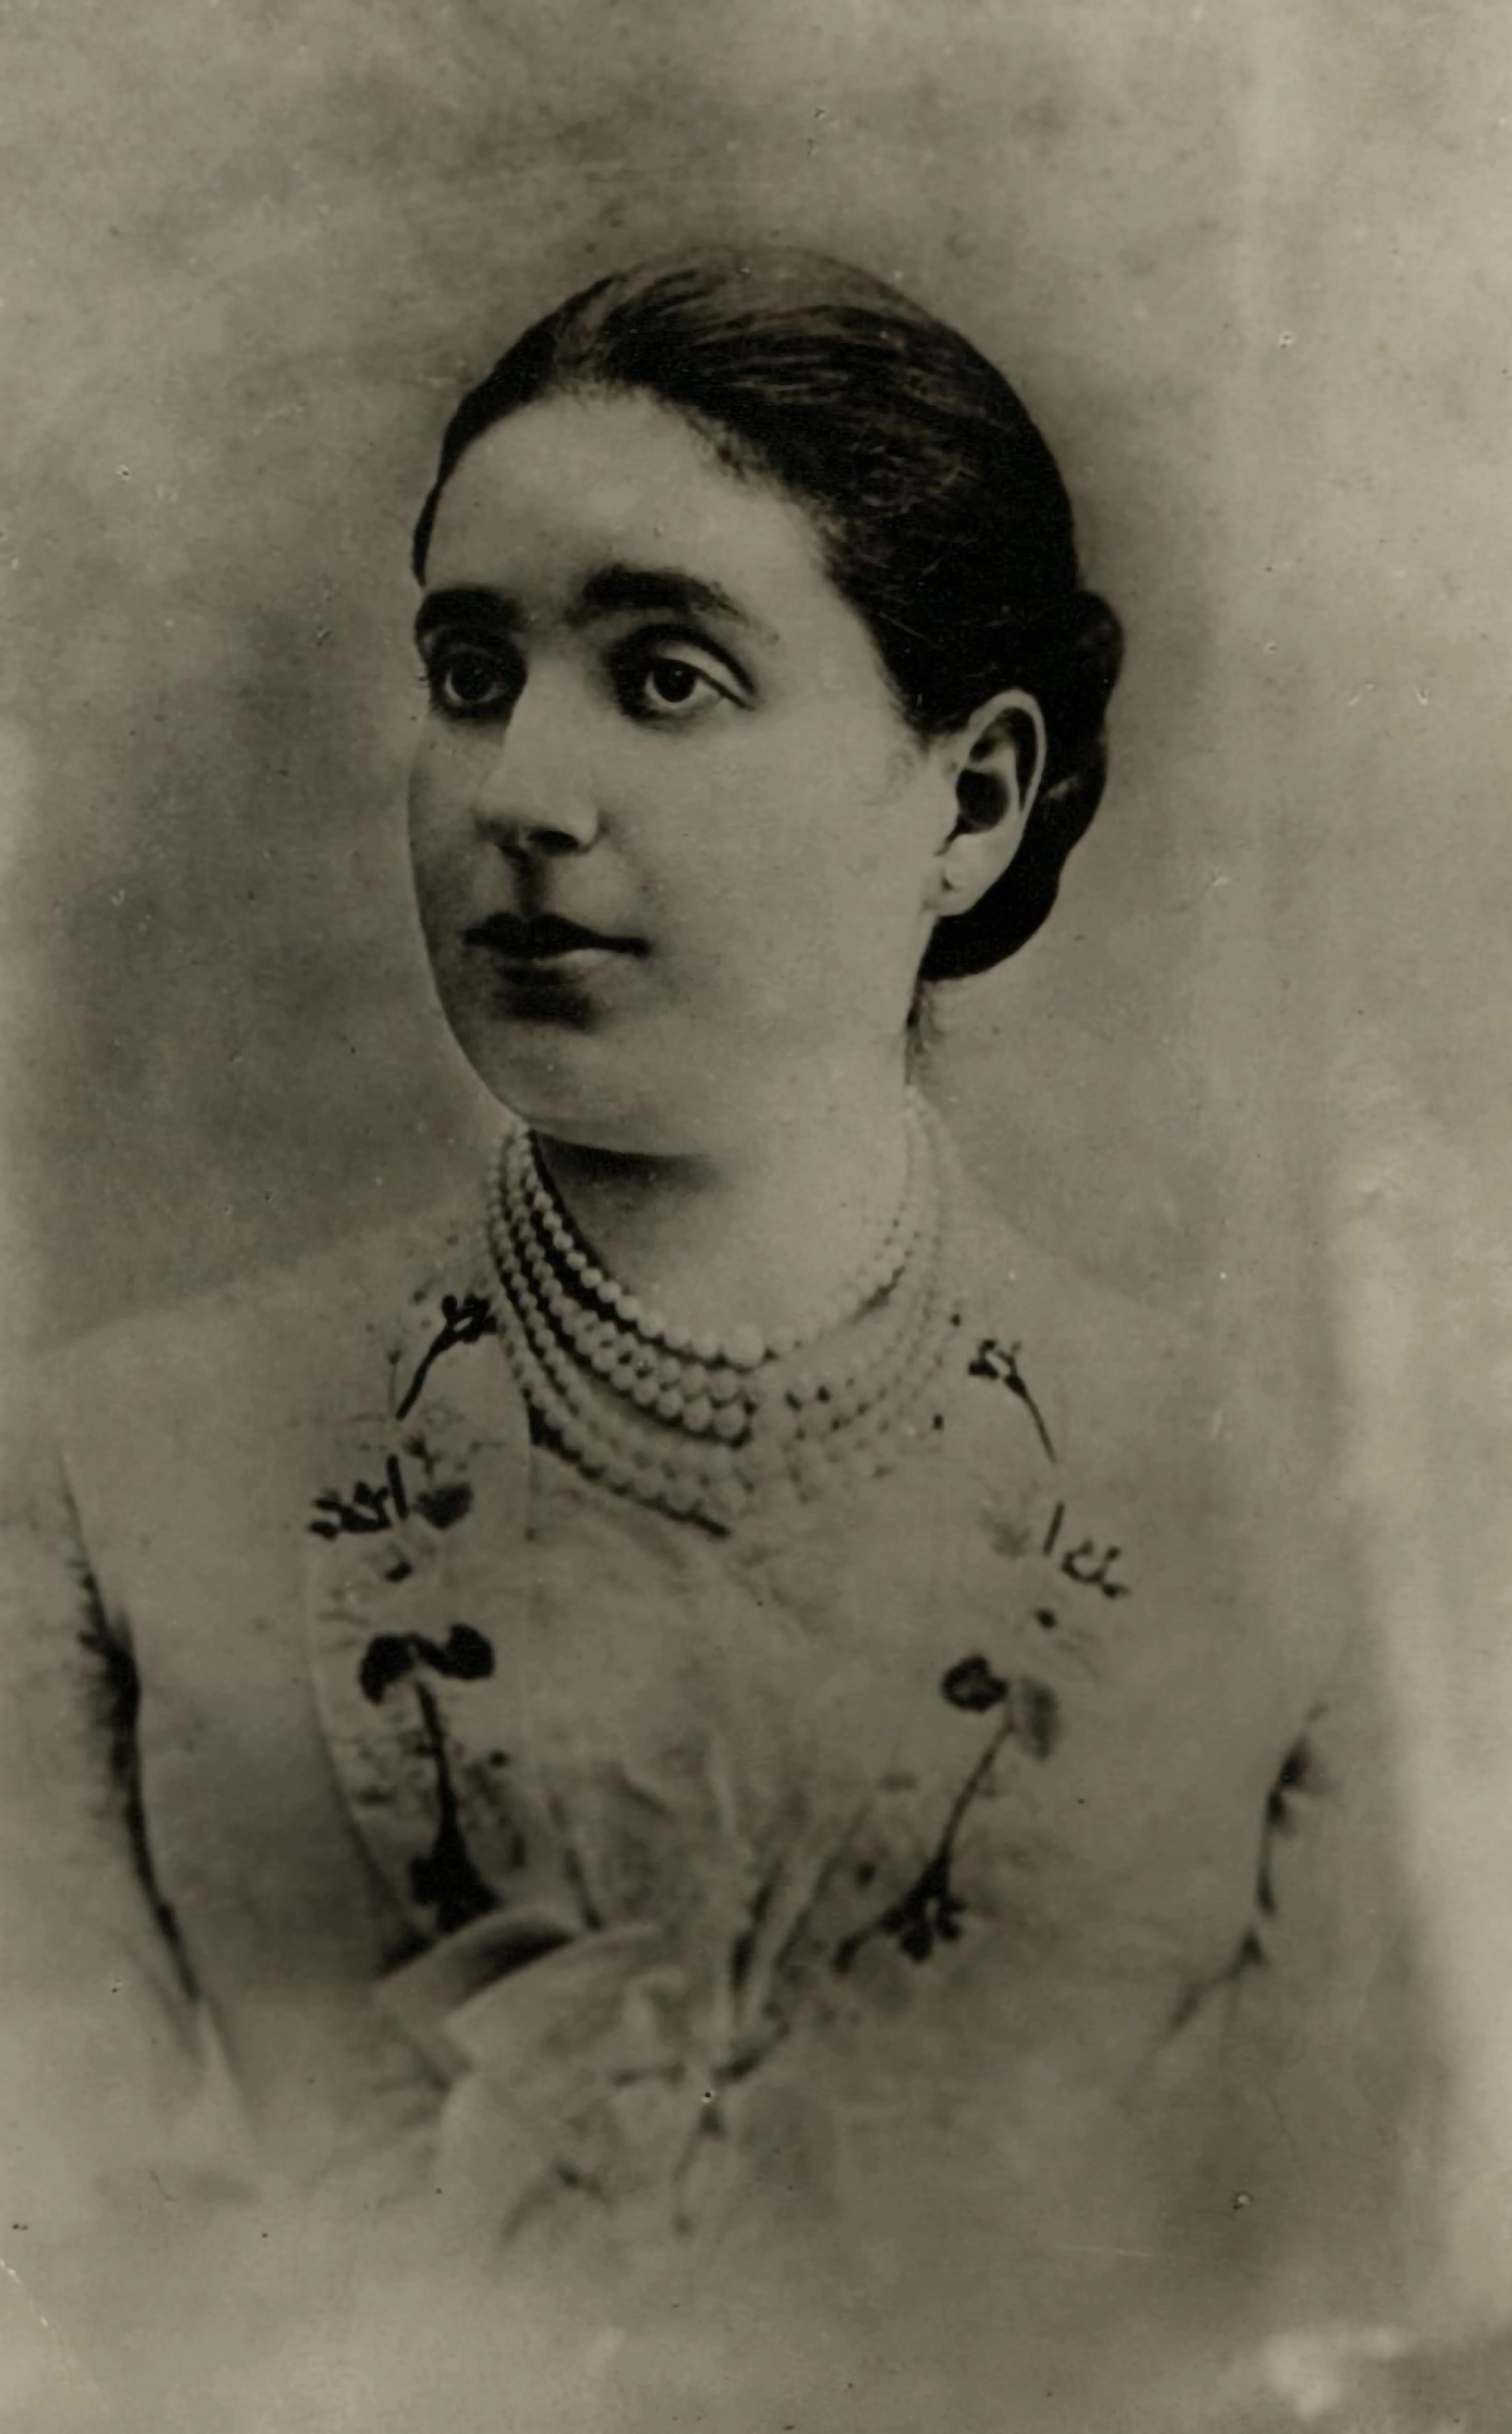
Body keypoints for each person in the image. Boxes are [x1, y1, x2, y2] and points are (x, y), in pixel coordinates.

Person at [0, 249, 1434, 2431]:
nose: (523, 792)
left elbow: (1372, 2316)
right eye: (472, 672)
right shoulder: (104, 1486)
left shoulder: (1299, 1551)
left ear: (970, 801)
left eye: (667, 679)